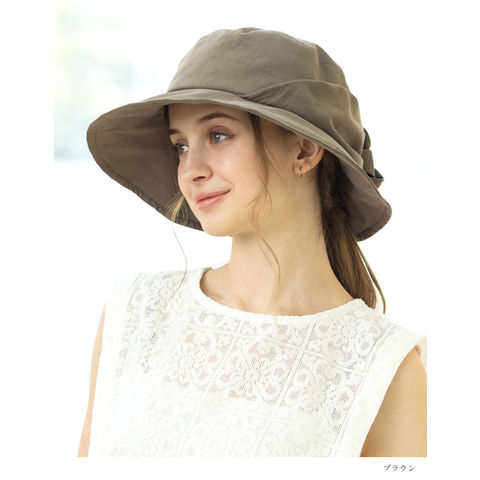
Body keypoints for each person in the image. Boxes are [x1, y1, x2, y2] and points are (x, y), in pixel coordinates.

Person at [78, 27, 427, 457]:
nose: (190, 170)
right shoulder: (137, 311)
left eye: (218, 135)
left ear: (304, 150)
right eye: (180, 146)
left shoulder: (383, 365)